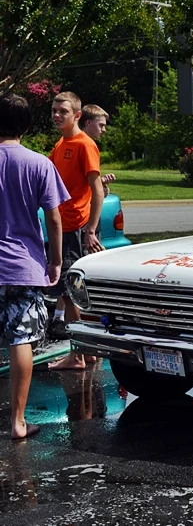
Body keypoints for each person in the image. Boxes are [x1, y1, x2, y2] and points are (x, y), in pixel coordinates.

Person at [0, 93, 69, 439]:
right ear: (26, 126)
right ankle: (17, 421)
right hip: (23, 266)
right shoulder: (39, 163)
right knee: (21, 339)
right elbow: (55, 220)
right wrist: (55, 262)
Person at [45, 92, 104, 370]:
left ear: (77, 115)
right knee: (73, 294)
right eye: (54, 110)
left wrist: (91, 230)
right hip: (64, 227)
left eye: (63, 111)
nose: (57, 115)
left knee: (71, 294)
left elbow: (98, 191)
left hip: (76, 230)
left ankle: (77, 355)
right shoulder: (61, 143)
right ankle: (88, 352)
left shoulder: (84, 144)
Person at [79, 104, 115, 196]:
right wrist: (103, 189)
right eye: (101, 125)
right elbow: (97, 191)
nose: (104, 130)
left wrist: (101, 182)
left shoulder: (68, 140)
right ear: (88, 123)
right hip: (81, 207)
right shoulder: (88, 145)